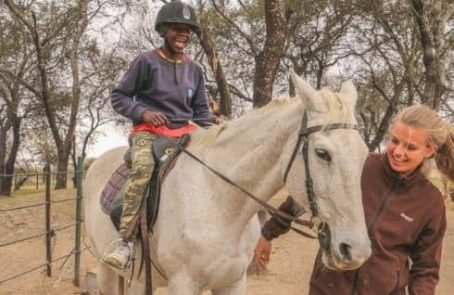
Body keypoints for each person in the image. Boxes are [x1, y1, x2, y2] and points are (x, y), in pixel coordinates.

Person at [254, 105, 454, 294]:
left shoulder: (431, 202)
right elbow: (302, 199)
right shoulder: (358, 166)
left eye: (410, 147)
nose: (398, 152)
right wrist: (268, 233)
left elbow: (426, 269)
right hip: (327, 288)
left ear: (429, 151)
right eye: (394, 141)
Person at [102, 0, 216, 270]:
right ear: (163, 30)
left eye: (188, 31)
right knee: (143, 168)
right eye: (178, 29)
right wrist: (142, 112)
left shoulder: (195, 70)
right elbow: (119, 97)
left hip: (185, 132)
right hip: (148, 133)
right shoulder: (145, 62)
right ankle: (125, 242)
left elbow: (201, 112)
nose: (184, 35)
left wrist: (216, 128)